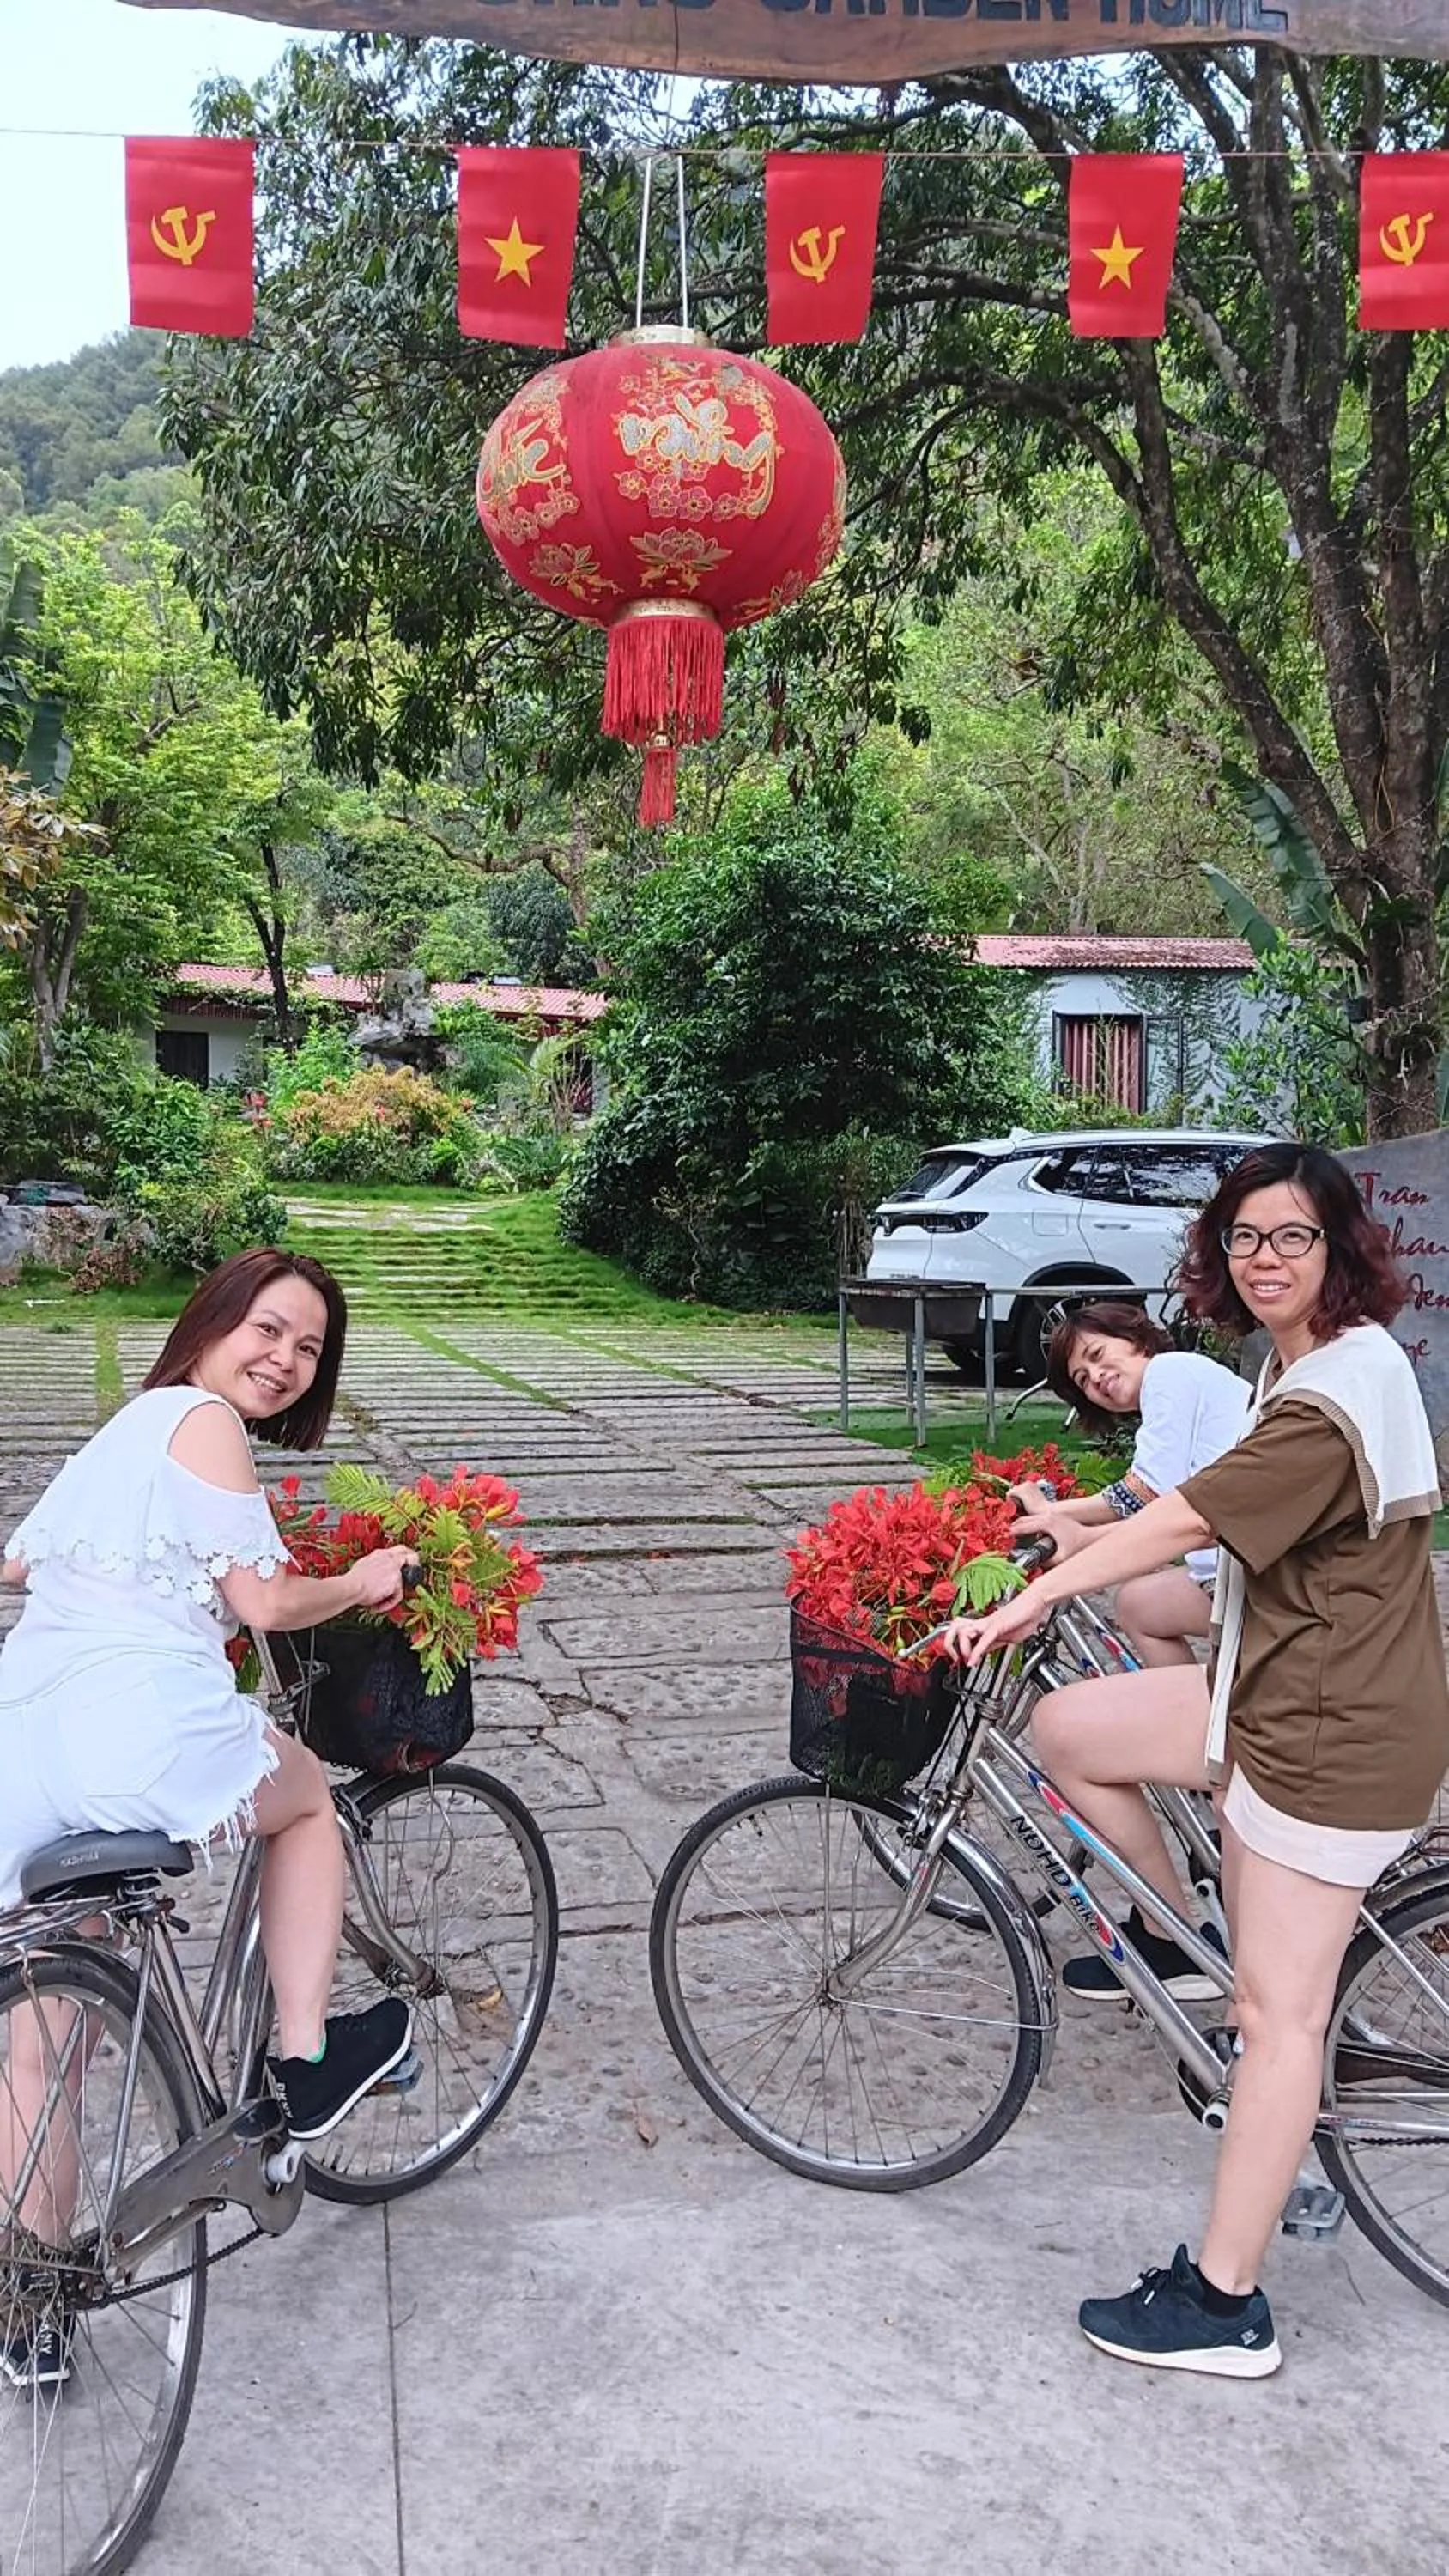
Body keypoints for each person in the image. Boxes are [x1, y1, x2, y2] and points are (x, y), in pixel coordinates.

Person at [946, 1144, 1449, 2379]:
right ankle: (1177, 1937)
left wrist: (1031, 1598)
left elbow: (1179, 1517)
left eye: (1292, 1237)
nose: (1265, 1259)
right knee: (1071, 1730)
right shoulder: (1302, 1363)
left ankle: (1227, 2305)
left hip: (1329, 1731)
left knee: (1280, 2020)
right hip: (1268, 1694)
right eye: (1243, 1238)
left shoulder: (1337, 1390)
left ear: (1342, 1249)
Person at [0, 1249, 420, 2388]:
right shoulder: (204, 1420)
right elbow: (267, 1603)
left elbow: (16, 1568)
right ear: (211, 1323)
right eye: (270, 1331)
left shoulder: (122, 1431)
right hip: (138, 1728)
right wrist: (367, 1580)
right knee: (307, 1807)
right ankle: (306, 2057)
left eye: (310, 1350)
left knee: (46, 2047)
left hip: (28, 1744)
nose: (285, 1361)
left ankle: (36, 2311)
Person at [1010, 1303, 1249, 1667]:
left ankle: (1191, 1714)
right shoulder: (1176, 1383)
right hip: (1228, 1576)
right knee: (1135, 1605)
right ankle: (1192, 1710)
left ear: (1135, 1339)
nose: (1096, 1376)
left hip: (1247, 1584)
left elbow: (1145, 1490)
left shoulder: (1170, 1372)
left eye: (1097, 1354)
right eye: (1083, 1380)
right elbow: (1160, 1512)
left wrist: (1050, 1510)